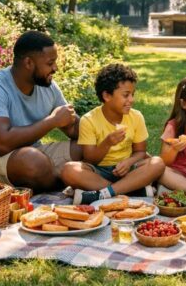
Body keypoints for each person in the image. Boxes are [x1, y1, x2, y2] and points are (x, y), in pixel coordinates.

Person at [0, 30, 82, 192]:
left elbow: (74, 129)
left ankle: (63, 177)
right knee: (33, 162)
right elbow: (1, 144)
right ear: (29, 63)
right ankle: (71, 180)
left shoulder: (48, 87)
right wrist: (53, 121)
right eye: (50, 63)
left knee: (88, 147)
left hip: (30, 153)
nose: (55, 68)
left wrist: (100, 128)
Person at [60, 63, 165, 205]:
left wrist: (128, 162)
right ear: (107, 96)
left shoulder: (136, 116)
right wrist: (107, 142)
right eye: (126, 95)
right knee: (69, 170)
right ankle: (131, 190)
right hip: (99, 172)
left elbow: (140, 151)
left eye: (132, 94)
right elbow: (90, 159)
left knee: (157, 163)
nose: (131, 100)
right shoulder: (89, 120)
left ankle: (102, 194)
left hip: (128, 170)